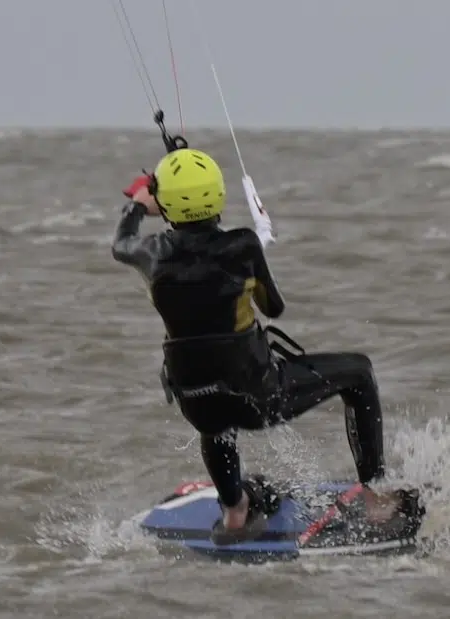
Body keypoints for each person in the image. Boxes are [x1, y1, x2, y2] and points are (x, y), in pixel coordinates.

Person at [111, 147, 415, 542]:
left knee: (213, 406)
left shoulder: (150, 255)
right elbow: (275, 307)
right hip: (259, 397)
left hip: (197, 403)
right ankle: (376, 500)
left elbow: (121, 243)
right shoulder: (243, 246)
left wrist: (138, 205)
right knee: (359, 372)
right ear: (217, 196)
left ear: (164, 203)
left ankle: (235, 511)